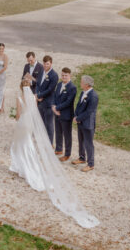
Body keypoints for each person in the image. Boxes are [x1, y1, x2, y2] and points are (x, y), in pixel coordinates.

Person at [11, 79, 99, 228]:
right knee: (27, 147)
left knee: (18, 146)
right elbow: (34, 112)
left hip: (22, 123)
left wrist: (15, 115)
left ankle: (21, 167)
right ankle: (26, 168)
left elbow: (18, 115)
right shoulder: (33, 97)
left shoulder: (19, 98)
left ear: (20, 87)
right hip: (30, 124)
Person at [72, 75, 99, 173]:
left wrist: (78, 118)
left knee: (88, 143)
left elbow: (89, 111)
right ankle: (82, 157)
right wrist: (76, 115)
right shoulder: (83, 92)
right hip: (80, 121)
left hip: (88, 123)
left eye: (82, 82)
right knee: (81, 141)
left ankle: (91, 163)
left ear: (87, 84)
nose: (80, 83)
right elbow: (79, 105)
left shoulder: (93, 96)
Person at [52, 67, 77, 161]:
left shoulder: (72, 87)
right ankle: (59, 149)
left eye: (66, 75)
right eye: (62, 75)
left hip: (66, 114)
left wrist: (57, 108)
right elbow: (54, 96)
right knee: (58, 132)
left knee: (67, 135)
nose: (64, 77)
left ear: (69, 75)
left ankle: (67, 154)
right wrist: (54, 107)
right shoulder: (59, 85)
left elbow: (68, 102)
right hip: (57, 113)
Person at [36, 55, 59, 145]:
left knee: (49, 124)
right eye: (44, 63)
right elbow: (38, 83)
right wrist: (37, 94)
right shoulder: (41, 71)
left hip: (48, 102)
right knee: (41, 122)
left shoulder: (54, 75)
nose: (45, 65)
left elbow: (50, 89)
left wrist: (41, 95)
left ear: (51, 63)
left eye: (47, 64)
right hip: (40, 101)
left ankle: (50, 143)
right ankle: (42, 140)